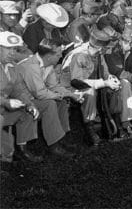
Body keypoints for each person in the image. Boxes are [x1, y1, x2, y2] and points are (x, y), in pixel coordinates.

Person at [17, 39, 83, 158]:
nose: (61, 56)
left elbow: (54, 86)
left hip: (34, 99)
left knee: (61, 102)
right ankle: (53, 145)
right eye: (58, 54)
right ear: (48, 56)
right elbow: (40, 94)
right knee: (50, 103)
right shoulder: (31, 66)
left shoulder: (47, 64)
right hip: (22, 101)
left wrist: (72, 94)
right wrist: (62, 95)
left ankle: (61, 138)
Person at [60, 28, 121, 145]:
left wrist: (111, 79)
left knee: (115, 88)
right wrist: (104, 83)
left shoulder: (98, 54)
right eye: (106, 48)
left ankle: (114, 122)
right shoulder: (79, 55)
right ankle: (90, 128)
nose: (108, 50)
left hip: (89, 83)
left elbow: (105, 73)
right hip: (69, 88)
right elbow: (77, 82)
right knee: (90, 92)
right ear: (100, 48)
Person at [0, 31, 41, 163]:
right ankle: (5, 156)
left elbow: (19, 90)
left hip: (3, 108)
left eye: (14, 49)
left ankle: (21, 149)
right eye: (8, 48)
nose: (12, 52)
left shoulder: (13, 66)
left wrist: (29, 104)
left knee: (27, 112)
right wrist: (5, 102)